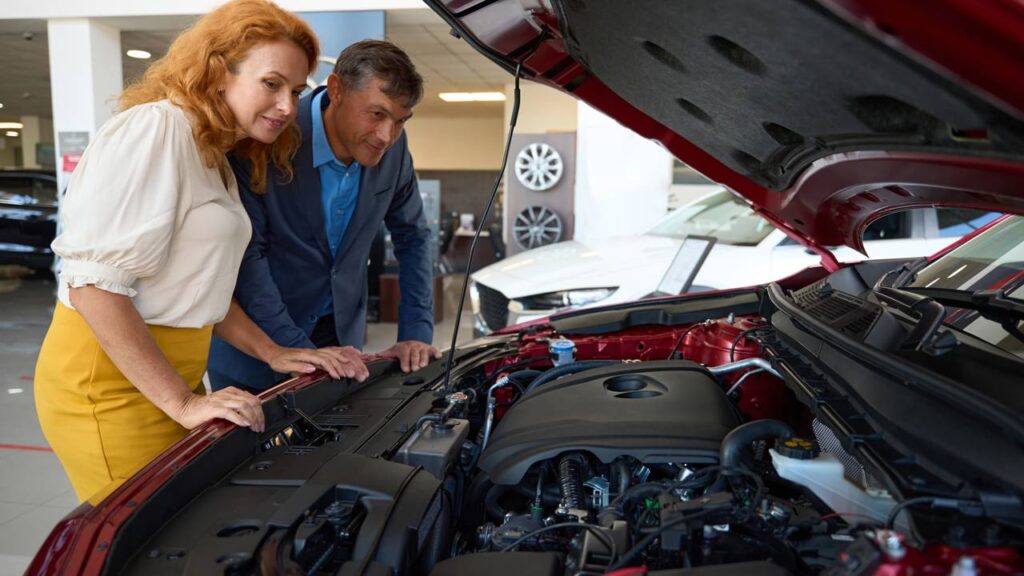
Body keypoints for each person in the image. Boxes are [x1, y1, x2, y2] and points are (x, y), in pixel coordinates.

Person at [33, 0, 364, 504]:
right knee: (149, 531)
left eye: (296, 91)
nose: (285, 105)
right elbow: (94, 288)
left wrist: (272, 352)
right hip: (109, 387)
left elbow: (199, 290)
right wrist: (183, 403)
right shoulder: (157, 129)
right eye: (271, 83)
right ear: (217, 72)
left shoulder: (212, 153)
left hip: (169, 379)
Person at [208, 40, 441, 393]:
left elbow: (414, 237)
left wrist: (415, 333)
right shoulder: (269, 133)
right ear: (336, 90)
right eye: (376, 114)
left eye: (400, 120)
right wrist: (295, 349)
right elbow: (249, 255)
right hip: (256, 347)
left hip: (340, 338)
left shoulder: (393, 151)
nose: (386, 136)